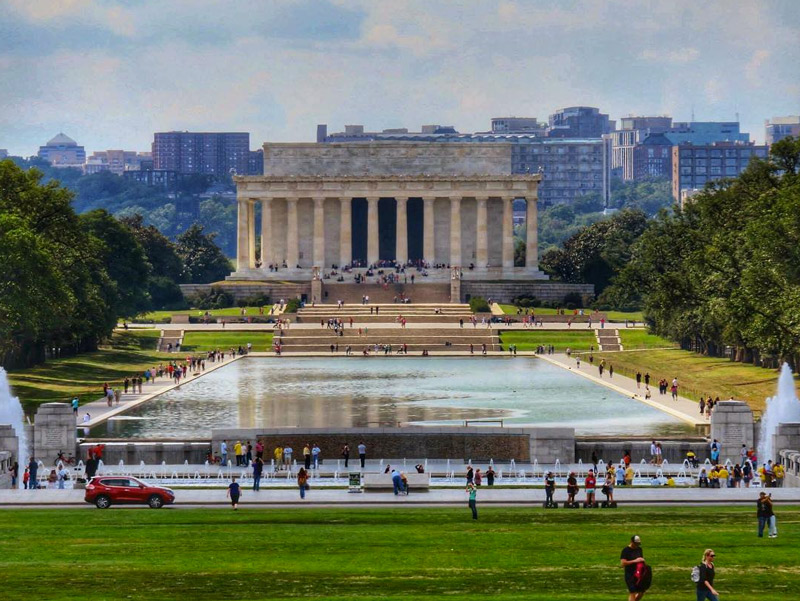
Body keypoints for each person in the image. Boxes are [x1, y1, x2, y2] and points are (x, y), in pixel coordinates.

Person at [620, 535, 646, 601]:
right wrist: (635, 561)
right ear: (631, 542)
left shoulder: (639, 549)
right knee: (633, 592)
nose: (637, 545)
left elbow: (640, 560)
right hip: (629, 574)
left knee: (641, 592)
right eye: (635, 544)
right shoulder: (625, 550)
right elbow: (623, 563)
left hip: (638, 573)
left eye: (638, 544)